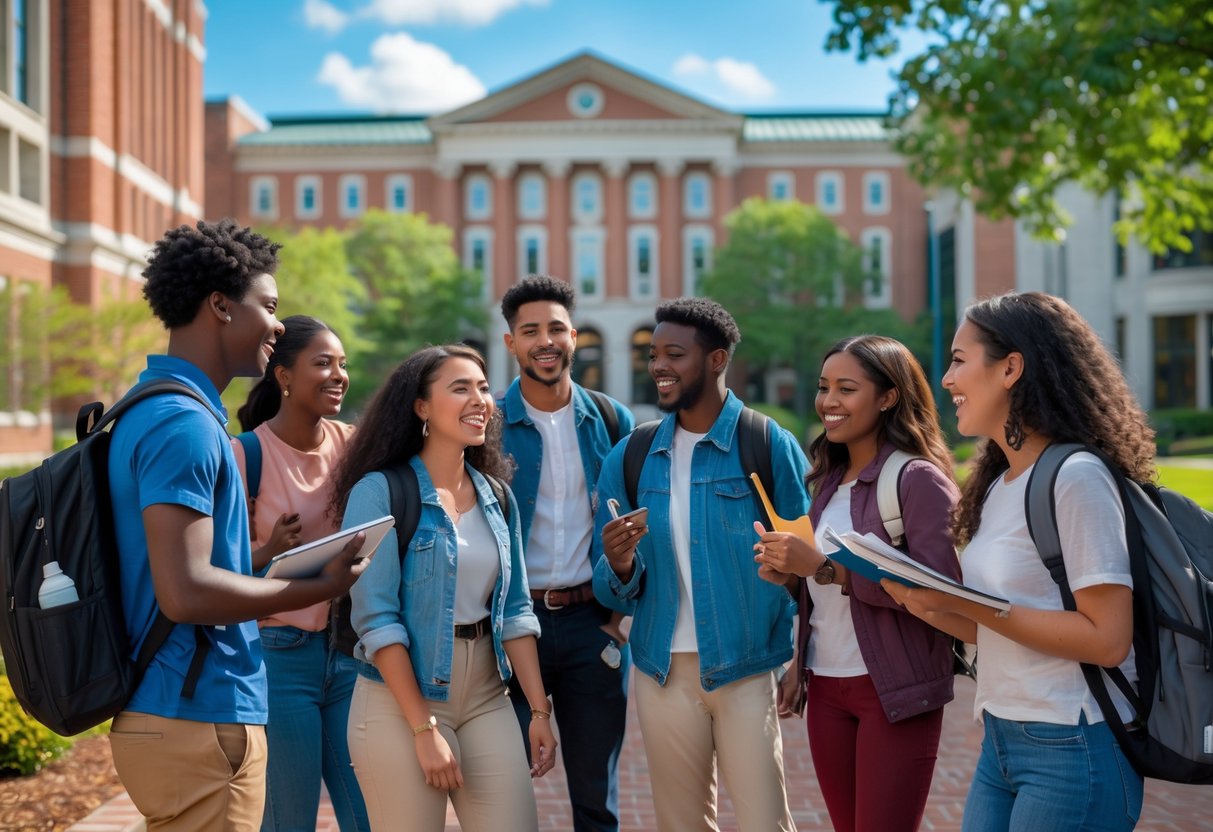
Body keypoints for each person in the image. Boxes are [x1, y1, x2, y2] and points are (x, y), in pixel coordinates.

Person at [107, 219, 368, 831]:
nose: (278, 325)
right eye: (269, 307)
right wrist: (321, 587)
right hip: (197, 714)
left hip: (180, 712)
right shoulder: (185, 426)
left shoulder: (156, 407)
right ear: (221, 306)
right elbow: (188, 590)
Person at [884, 291, 1150, 831]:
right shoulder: (1002, 483)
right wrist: (924, 604)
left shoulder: (1076, 477)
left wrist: (976, 605)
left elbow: (1107, 639)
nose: (947, 380)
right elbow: (997, 626)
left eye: (959, 360)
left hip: (1073, 742)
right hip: (1003, 738)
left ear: (1010, 368)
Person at [593, 297, 809, 832]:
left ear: (716, 360)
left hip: (747, 665)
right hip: (661, 672)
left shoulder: (766, 442)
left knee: (766, 822)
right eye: (653, 354)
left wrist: (801, 657)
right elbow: (608, 585)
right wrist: (619, 565)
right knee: (681, 824)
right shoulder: (632, 455)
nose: (659, 366)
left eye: (675, 354)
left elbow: (808, 565)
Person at [330, 344, 557, 831]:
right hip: (399, 699)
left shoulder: (497, 496)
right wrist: (421, 728)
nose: (479, 399)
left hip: (486, 694)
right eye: (460, 388)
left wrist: (539, 711)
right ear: (421, 407)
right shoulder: (379, 492)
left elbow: (516, 609)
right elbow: (377, 621)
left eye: (482, 387)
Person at [753, 335, 961, 832]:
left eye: (846, 388)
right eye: (825, 387)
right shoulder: (827, 481)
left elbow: (944, 599)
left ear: (888, 396)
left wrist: (824, 567)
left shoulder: (918, 479)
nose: (829, 401)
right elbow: (825, 592)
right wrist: (790, 575)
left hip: (895, 691)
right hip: (826, 687)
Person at [497, 275, 635, 832]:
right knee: (501, 797)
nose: (545, 340)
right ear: (511, 343)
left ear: (574, 336)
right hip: (508, 628)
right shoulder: (488, 425)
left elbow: (631, 527)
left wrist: (616, 618)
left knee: (597, 803)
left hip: (589, 625)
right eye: (530, 331)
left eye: (556, 328)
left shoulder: (611, 419)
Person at [231, 315, 369, 832]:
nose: (338, 374)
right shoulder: (246, 455)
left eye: (343, 364)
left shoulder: (353, 445)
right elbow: (212, 572)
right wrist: (267, 549)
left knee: (370, 814)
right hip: (279, 658)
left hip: (348, 652)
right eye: (323, 363)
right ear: (283, 376)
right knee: (289, 819)